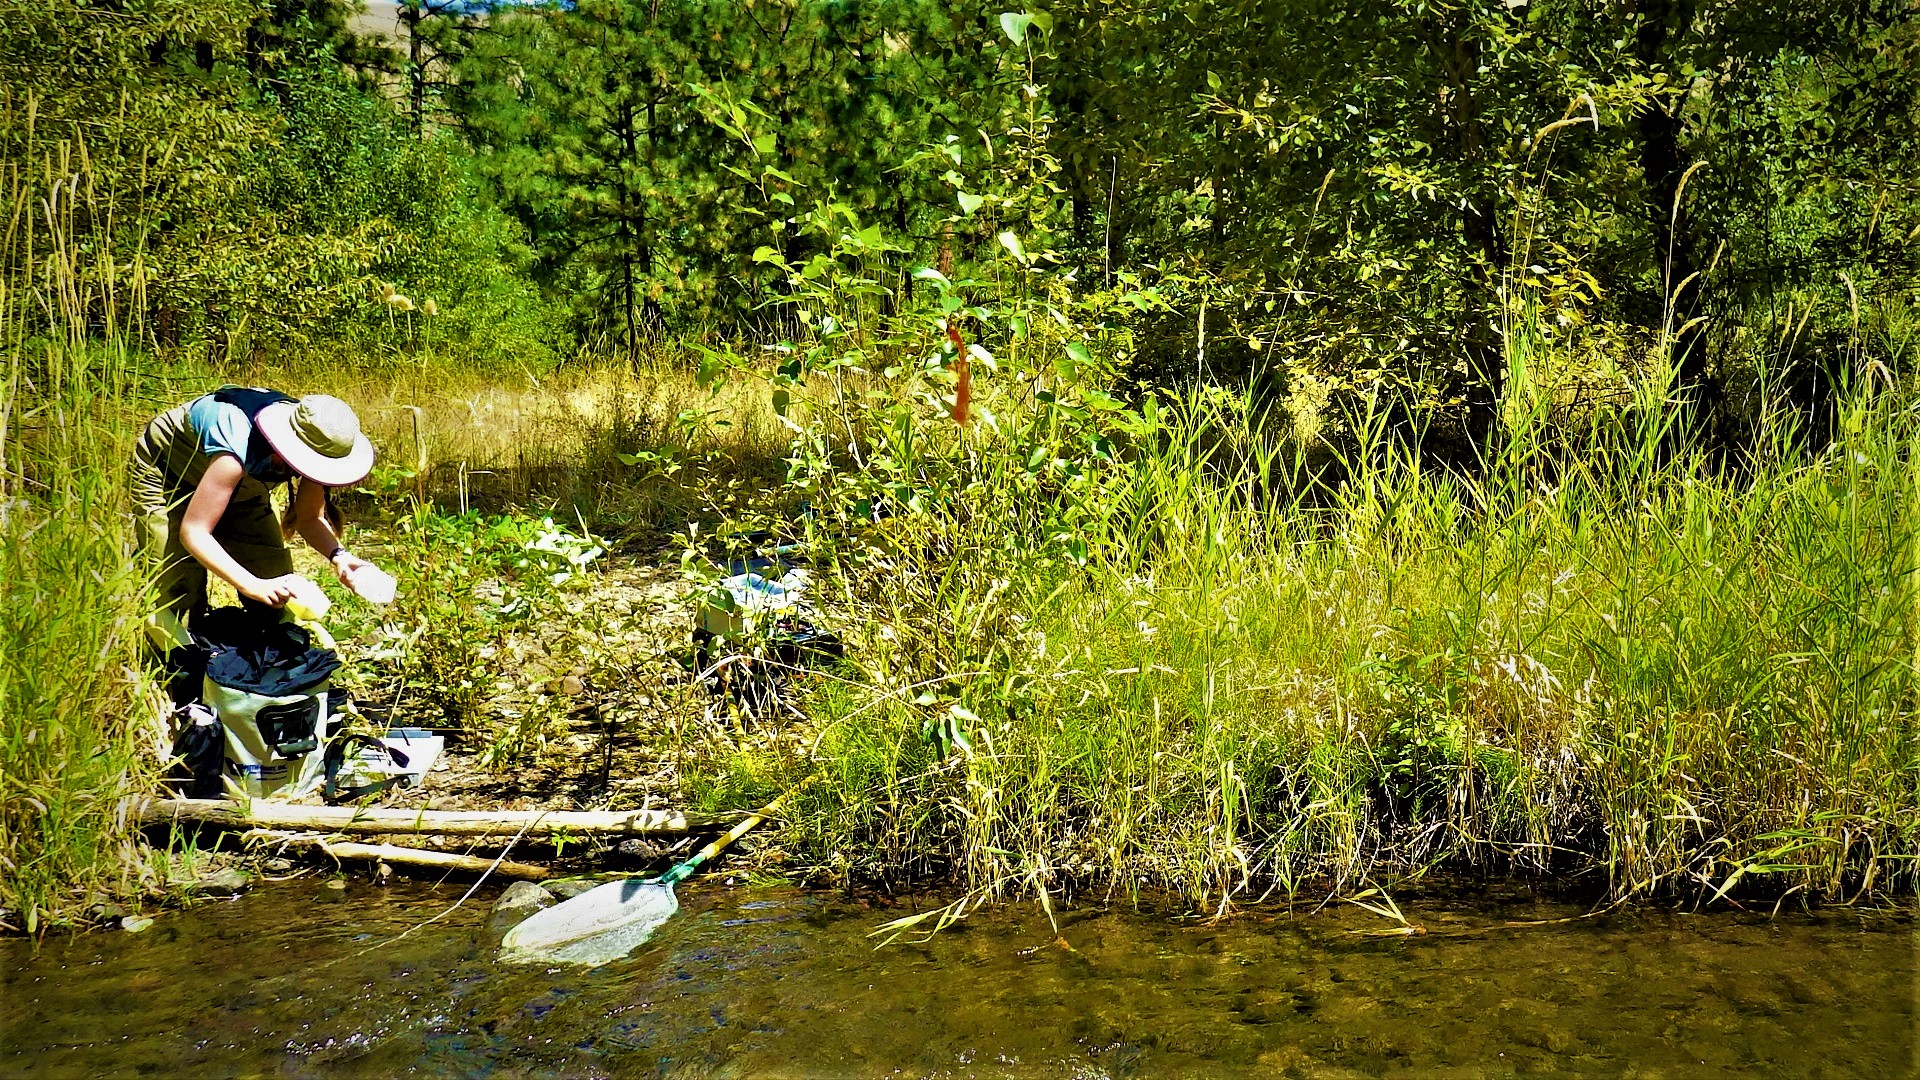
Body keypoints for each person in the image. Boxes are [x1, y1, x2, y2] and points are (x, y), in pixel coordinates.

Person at [131, 386, 386, 625]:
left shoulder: (319, 441)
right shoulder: (236, 442)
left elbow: (308, 518)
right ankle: (181, 661)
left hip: (241, 481)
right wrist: (250, 585)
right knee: (177, 588)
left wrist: (339, 556)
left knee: (273, 576)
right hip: (167, 473)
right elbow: (194, 531)